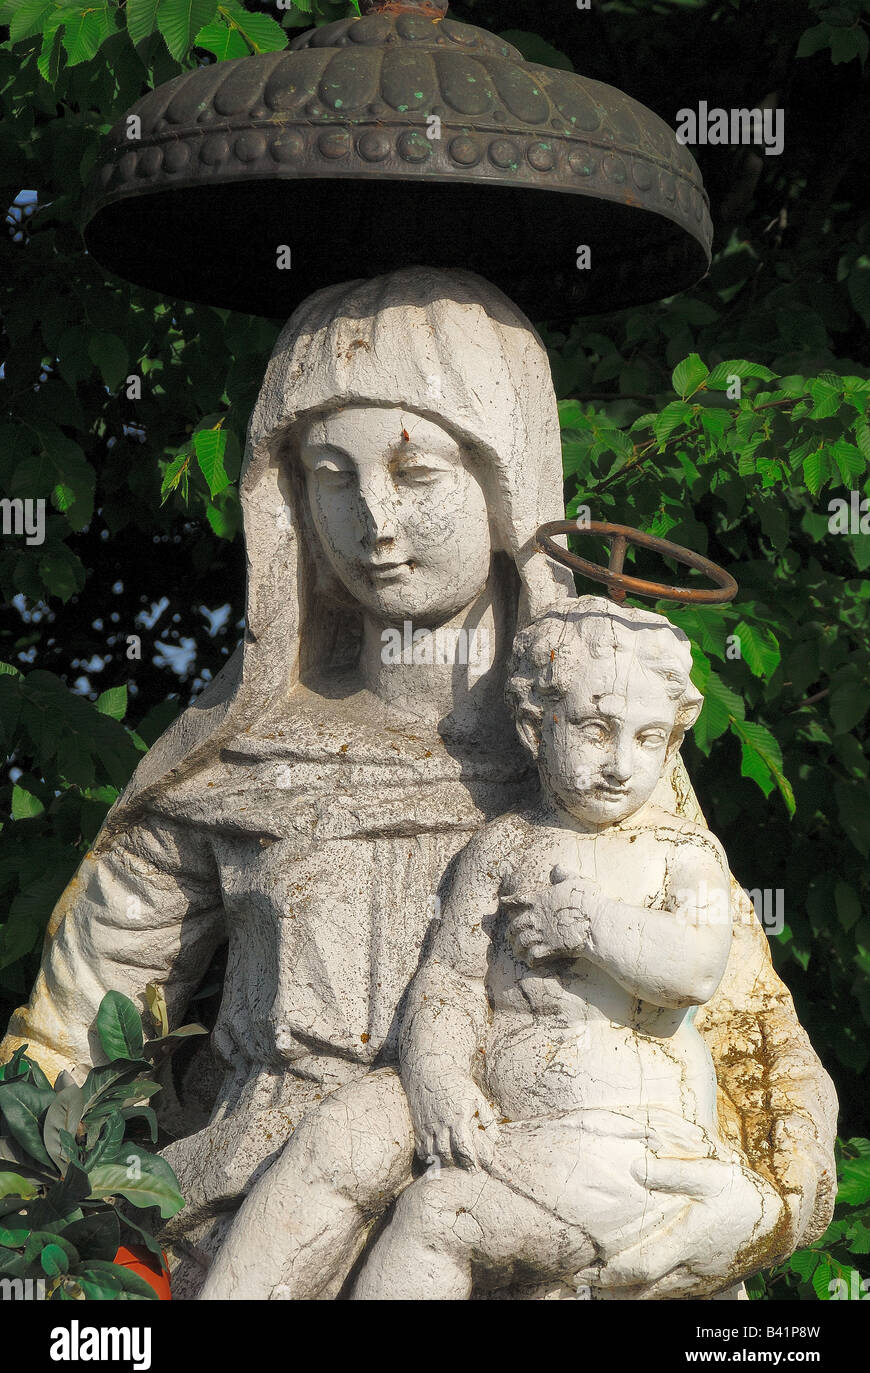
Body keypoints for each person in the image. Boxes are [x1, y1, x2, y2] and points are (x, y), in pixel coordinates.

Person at [0, 269, 836, 1300]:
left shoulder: (600, 770)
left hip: (557, 1214)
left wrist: (748, 1217)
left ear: (506, 480)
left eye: (418, 471)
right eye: (331, 474)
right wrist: (43, 1237)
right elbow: (66, 1044)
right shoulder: (234, 755)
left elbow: (758, 1053)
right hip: (248, 1225)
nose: (374, 521)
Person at [352, 598, 785, 1299]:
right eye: (595, 730)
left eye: (648, 740)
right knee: (440, 1212)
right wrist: (438, 1083)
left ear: (672, 745)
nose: (620, 764)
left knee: (438, 1214)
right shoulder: (502, 848)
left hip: (642, 1150)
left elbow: (699, 968)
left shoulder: (682, 850)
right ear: (533, 726)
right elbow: (449, 982)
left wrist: (591, 926)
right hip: (533, 1145)